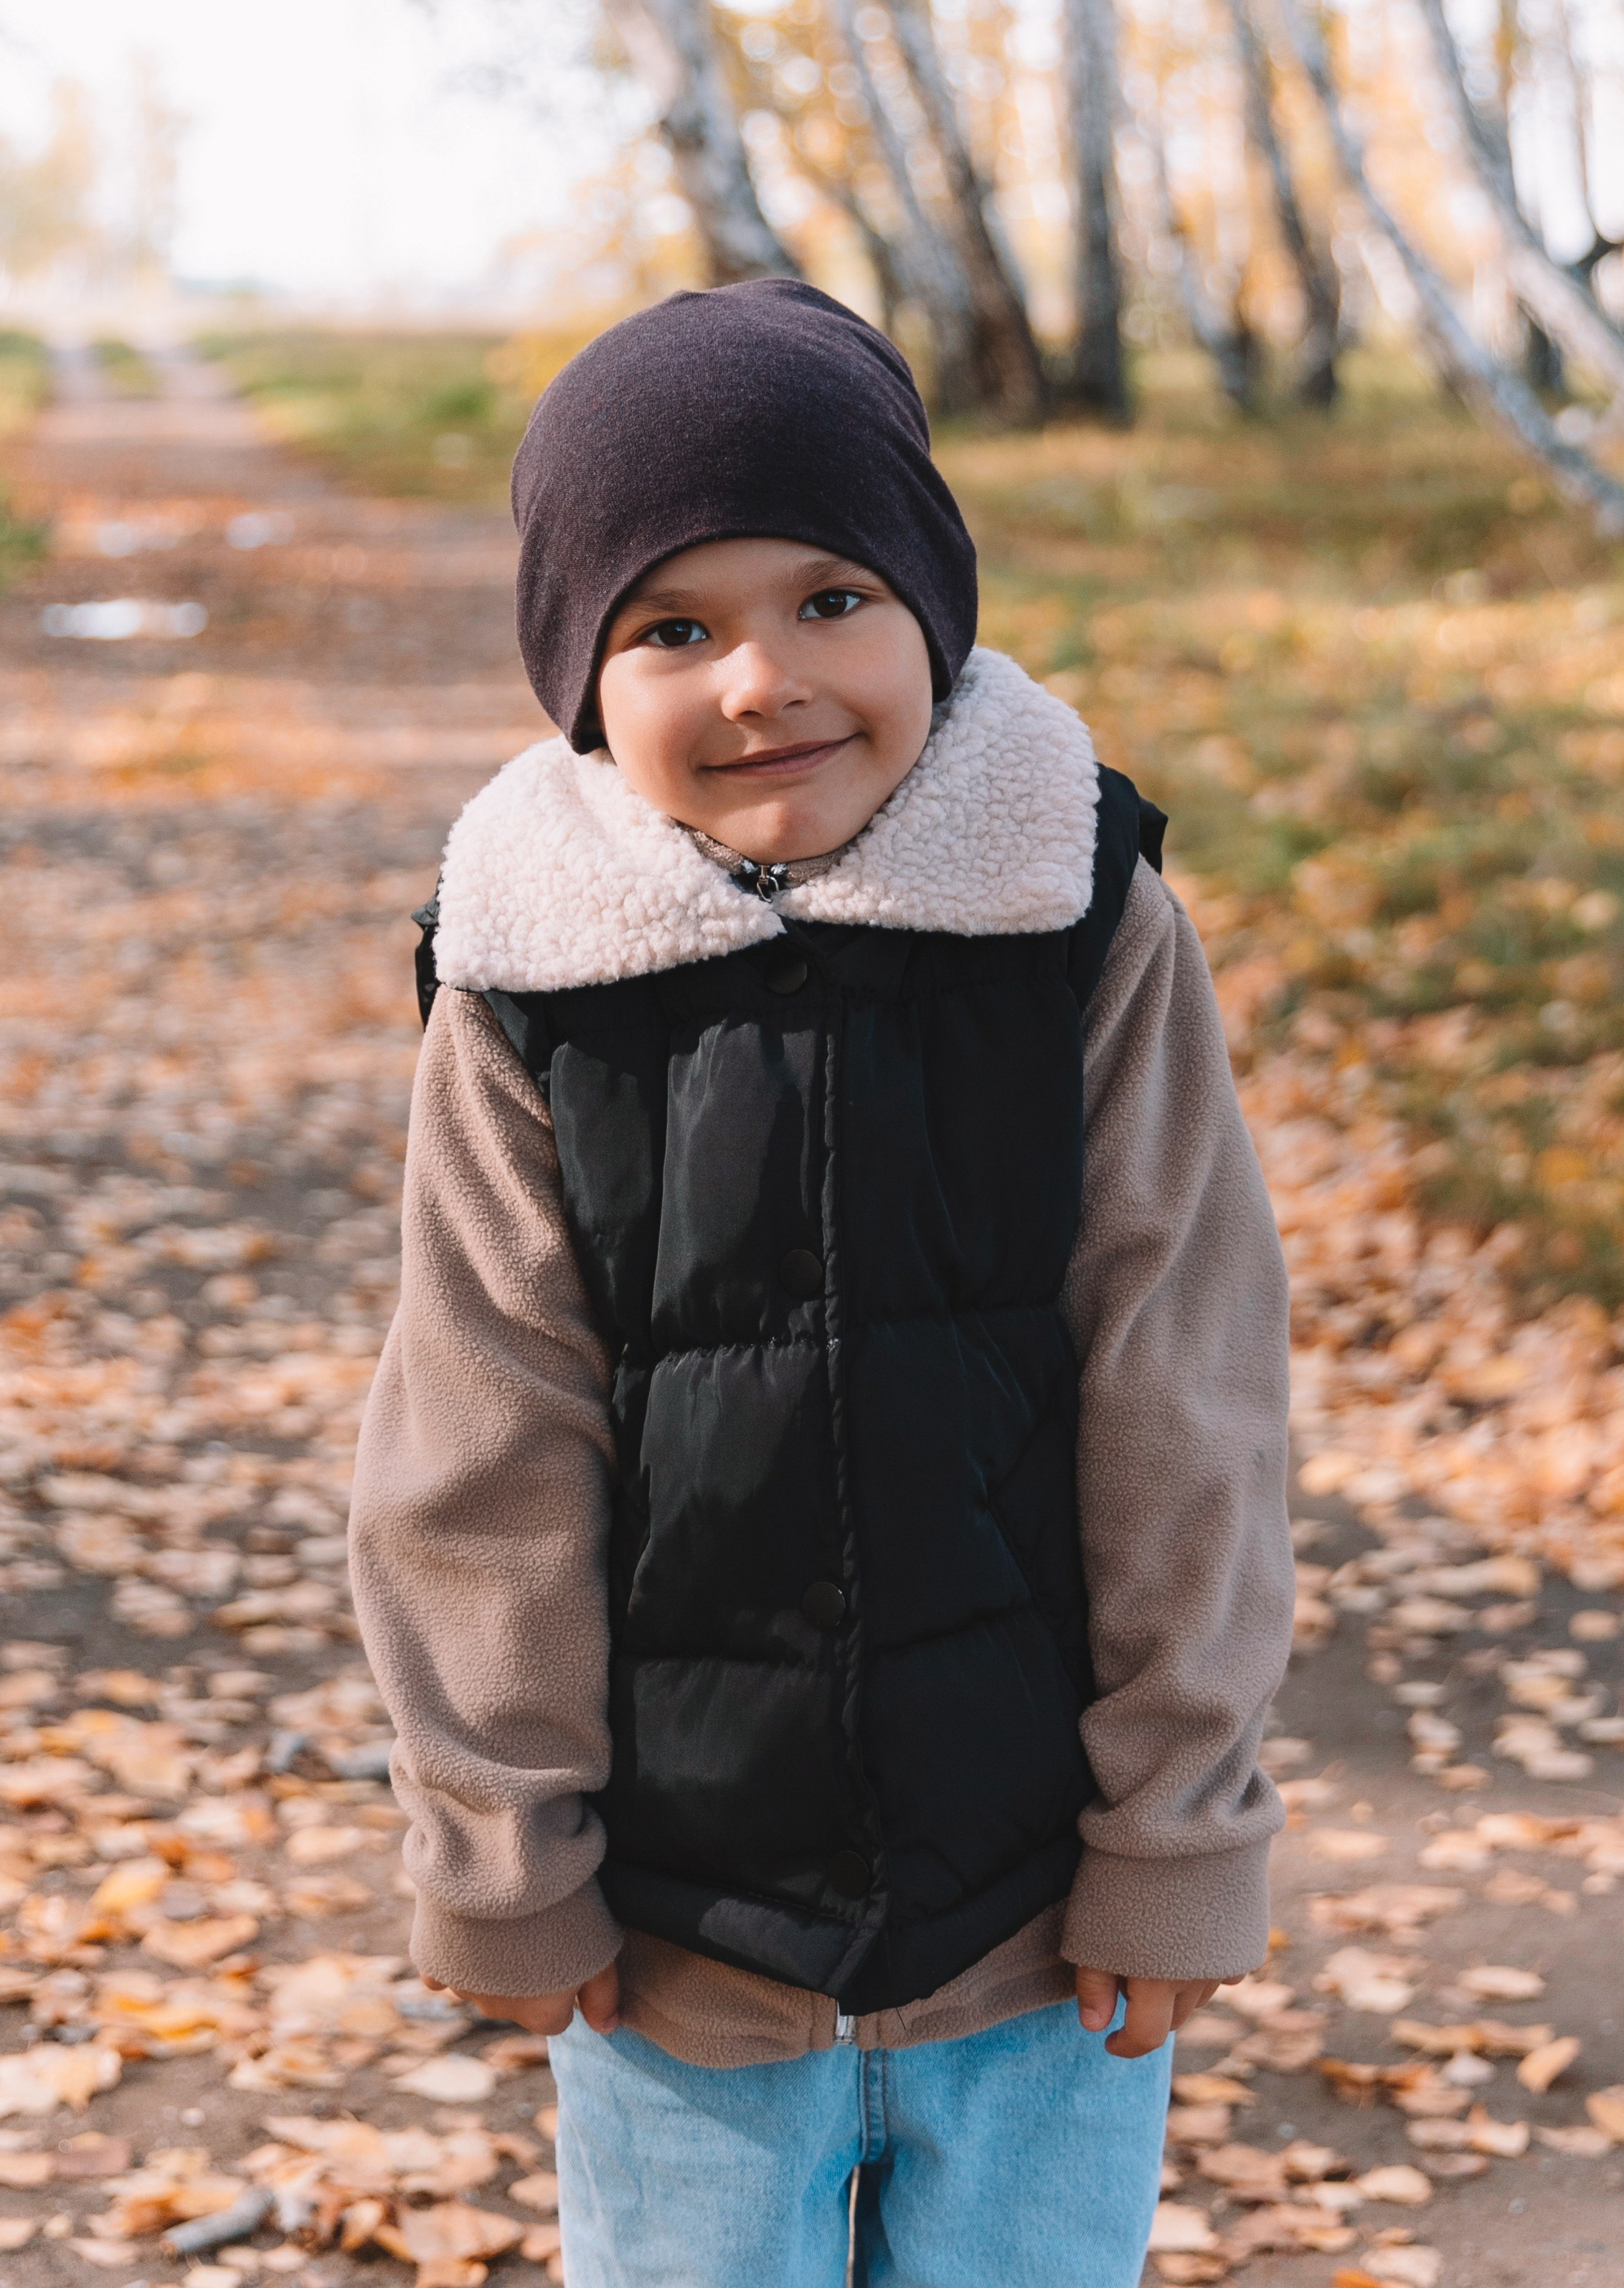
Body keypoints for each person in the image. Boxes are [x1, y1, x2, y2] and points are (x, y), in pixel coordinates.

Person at [349, 278, 1293, 2288]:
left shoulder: (1078, 927)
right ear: (578, 683)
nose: (763, 676)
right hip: (682, 1965)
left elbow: (1185, 1387)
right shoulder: (530, 989)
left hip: (1042, 1942)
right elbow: (475, 1447)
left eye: (829, 598)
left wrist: (1178, 1837)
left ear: (933, 615)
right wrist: (509, 1863)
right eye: (672, 629)